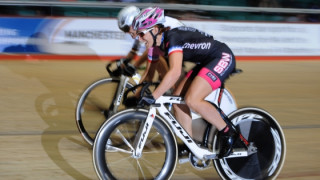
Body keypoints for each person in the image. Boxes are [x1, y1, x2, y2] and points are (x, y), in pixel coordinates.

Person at [133, 7, 238, 158]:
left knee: (192, 100)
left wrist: (154, 96)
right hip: (207, 61)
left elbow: (175, 72)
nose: (139, 39)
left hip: (222, 56)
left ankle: (228, 133)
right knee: (178, 101)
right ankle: (190, 145)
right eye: (138, 35)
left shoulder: (172, 37)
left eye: (142, 34)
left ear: (155, 29)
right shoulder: (159, 43)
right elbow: (153, 72)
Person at [117, 5, 184, 84]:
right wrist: (125, 61)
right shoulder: (140, 28)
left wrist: (134, 66)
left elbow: (151, 50)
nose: (127, 32)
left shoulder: (147, 26)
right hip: (168, 48)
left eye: (126, 29)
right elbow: (134, 50)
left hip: (179, 45)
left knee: (154, 59)